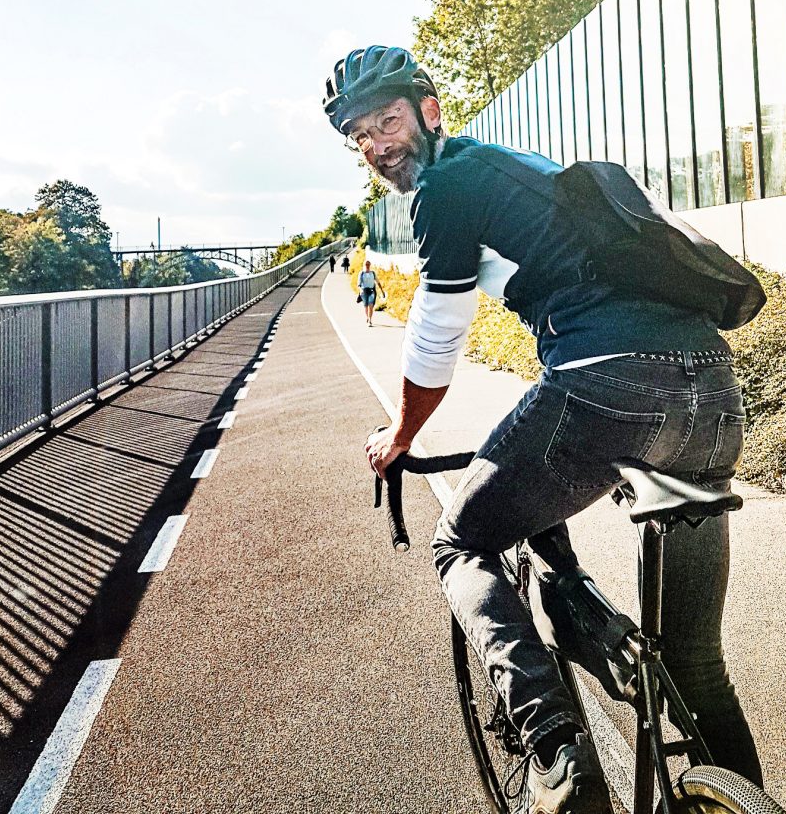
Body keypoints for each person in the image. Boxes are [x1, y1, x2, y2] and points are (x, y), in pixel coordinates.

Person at [323, 46, 762, 813]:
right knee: (696, 662)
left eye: (386, 120)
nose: (376, 145)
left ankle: (555, 753)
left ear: (429, 111)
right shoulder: (526, 171)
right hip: (712, 393)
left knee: (459, 541)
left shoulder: (447, 182)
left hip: (608, 383)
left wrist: (399, 435)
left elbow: (436, 330)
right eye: (358, 135)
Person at [356, 259, 384, 327]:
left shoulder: (373, 273)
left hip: (371, 291)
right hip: (364, 291)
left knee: (371, 306)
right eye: (366, 264)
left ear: (370, 265)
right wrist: (360, 290)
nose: (367, 265)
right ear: (364, 265)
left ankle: (370, 320)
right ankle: (367, 317)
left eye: (368, 264)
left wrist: (382, 291)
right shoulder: (361, 273)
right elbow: (359, 283)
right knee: (366, 307)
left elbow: (378, 282)